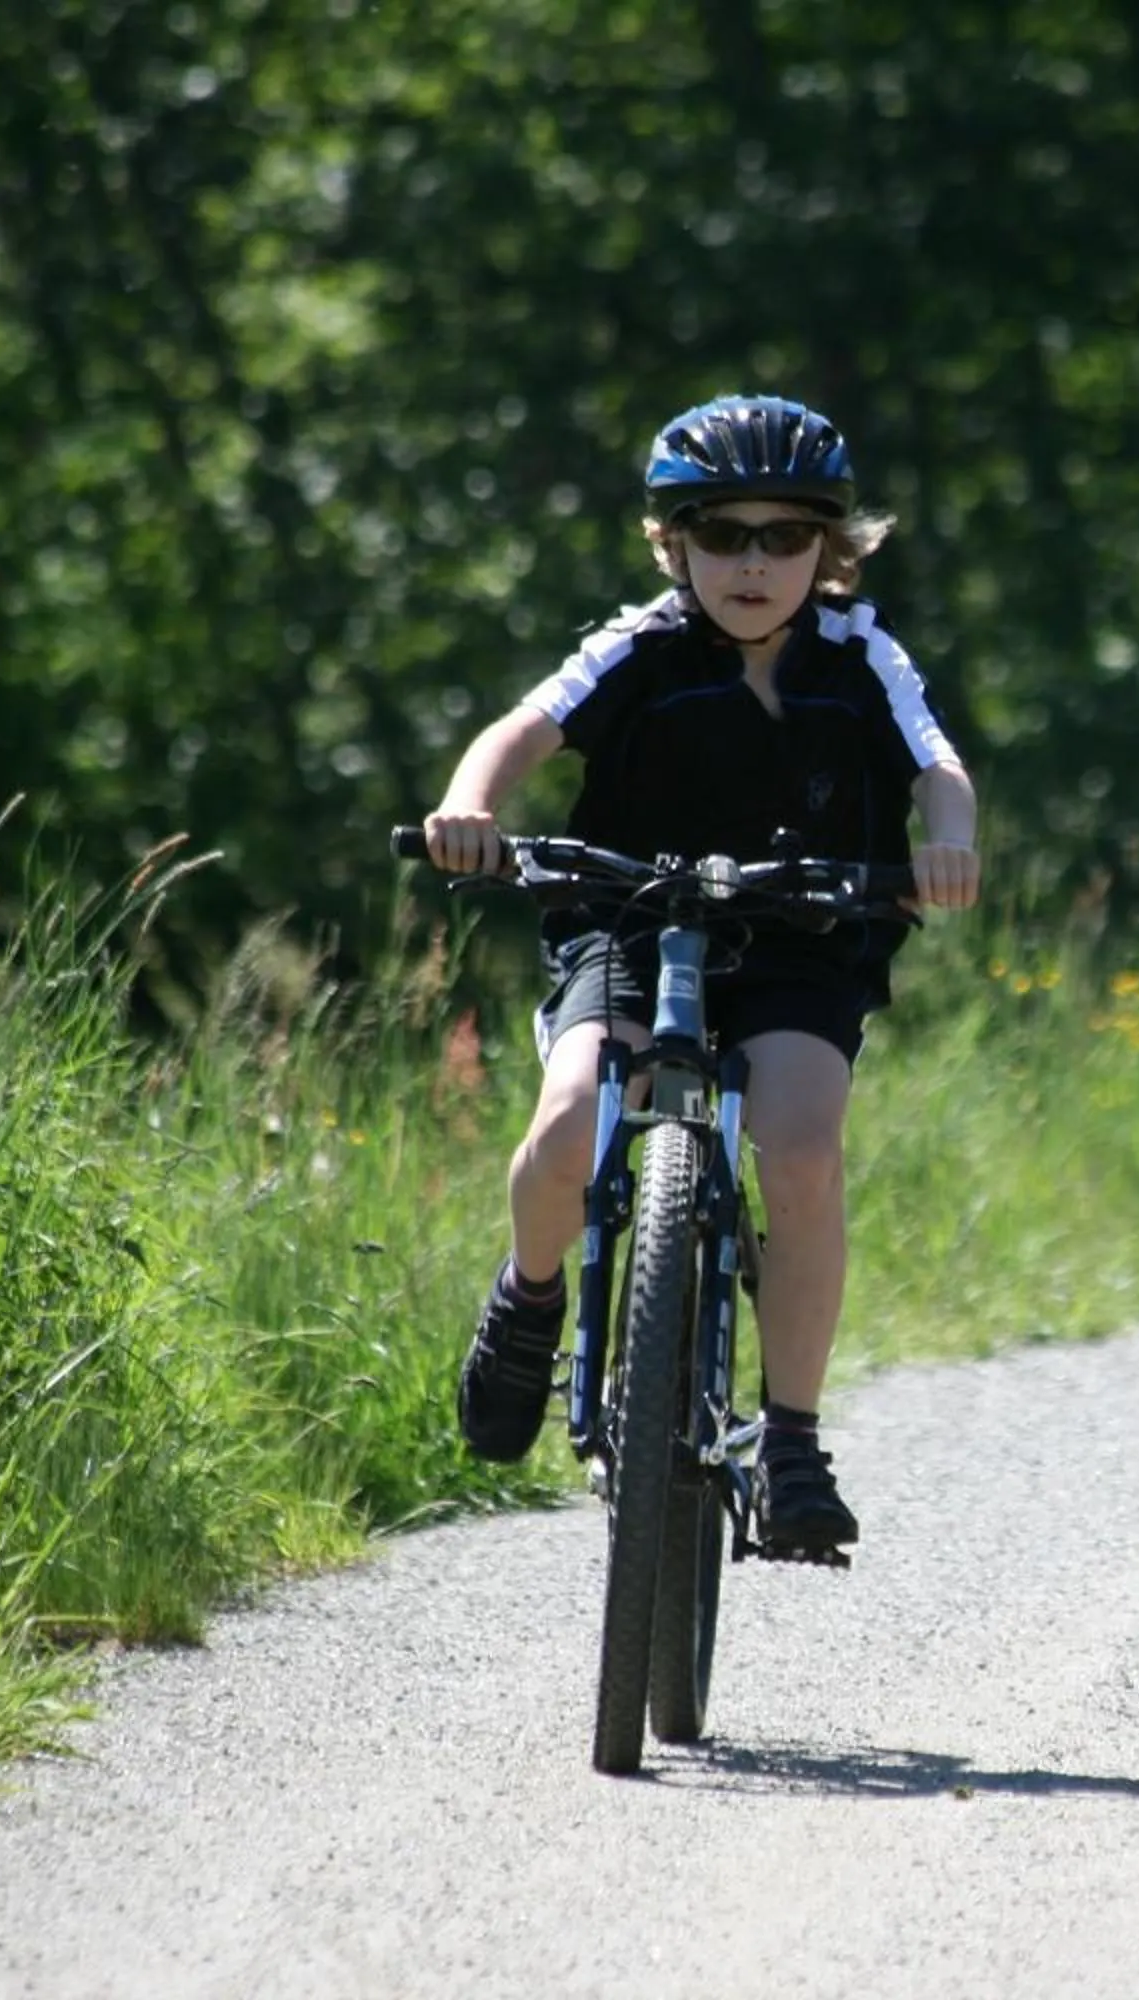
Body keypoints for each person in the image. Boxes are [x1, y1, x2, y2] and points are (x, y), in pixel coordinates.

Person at [420, 393, 979, 1556]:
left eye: (787, 535)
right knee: (573, 1114)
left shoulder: (860, 652)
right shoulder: (638, 646)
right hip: (628, 921)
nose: (755, 562)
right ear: (673, 544)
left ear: (832, 547)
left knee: (804, 1146)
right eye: (723, 534)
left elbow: (938, 765)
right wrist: (471, 806)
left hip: (800, 936)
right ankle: (530, 1301)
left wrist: (949, 842)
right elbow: (520, 731)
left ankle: (791, 1436)